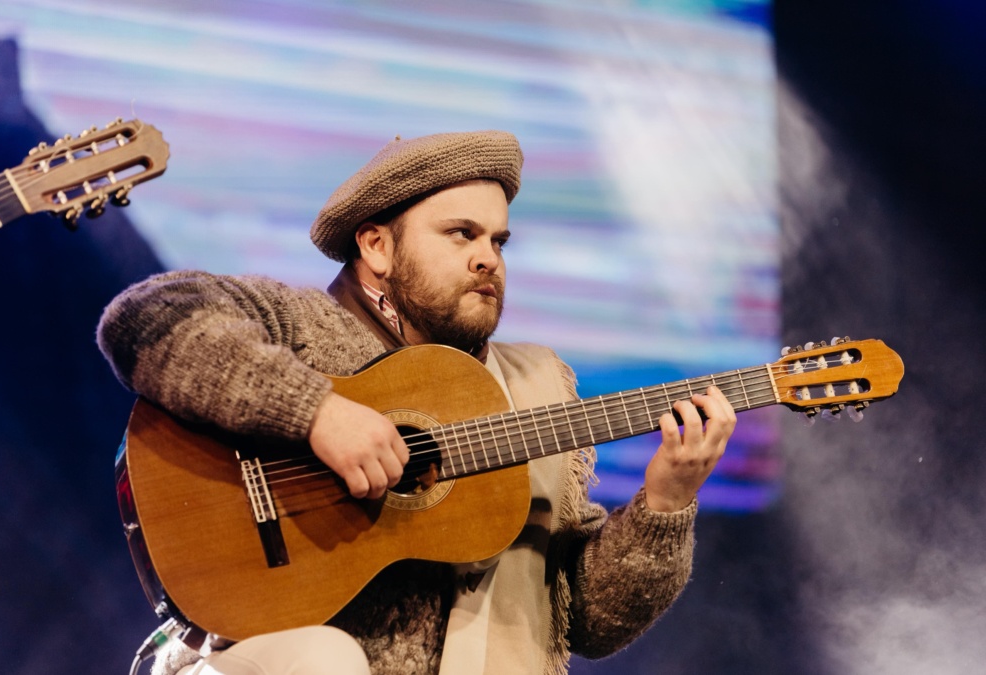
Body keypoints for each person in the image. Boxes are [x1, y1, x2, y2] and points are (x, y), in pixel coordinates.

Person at [97, 130, 736, 675]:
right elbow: (146, 318)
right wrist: (317, 412)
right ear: (377, 246)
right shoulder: (303, 325)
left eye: (498, 241)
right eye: (461, 234)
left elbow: (587, 621)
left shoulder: (534, 386)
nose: (487, 259)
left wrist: (666, 502)